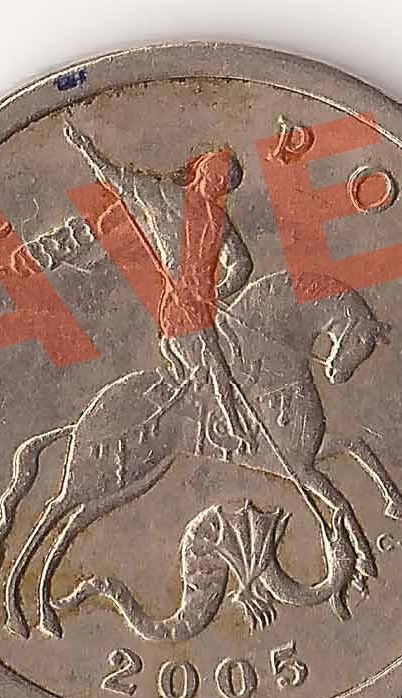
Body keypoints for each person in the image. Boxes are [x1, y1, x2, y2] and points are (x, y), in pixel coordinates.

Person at [65, 121, 257, 455]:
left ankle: (224, 421)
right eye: (221, 179)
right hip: (179, 305)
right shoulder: (162, 196)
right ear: (206, 172)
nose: (221, 188)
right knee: (214, 367)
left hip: (203, 304)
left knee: (233, 359)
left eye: (227, 186)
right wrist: (87, 149)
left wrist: (218, 292)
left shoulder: (218, 220)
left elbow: (241, 263)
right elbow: (116, 180)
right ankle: (228, 429)